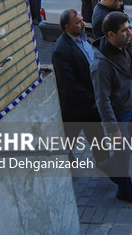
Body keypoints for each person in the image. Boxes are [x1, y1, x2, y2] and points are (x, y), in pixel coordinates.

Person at [91, 12, 132, 203]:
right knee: (123, 153)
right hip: (118, 115)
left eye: (129, 27)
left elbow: (128, 74)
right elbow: (102, 101)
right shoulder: (101, 66)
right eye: (124, 30)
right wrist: (113, 129)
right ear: (110, 34)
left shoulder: (125, 45)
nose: (130, 33)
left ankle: (110, 164)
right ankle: (125, 189)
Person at [52, 9, 109, 165]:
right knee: (72, 136)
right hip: (77, 106)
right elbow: (69, 84)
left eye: (82, 20)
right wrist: (92, 99)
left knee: (96, 135)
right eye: (78, 22)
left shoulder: (84, 38)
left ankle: (104, 162)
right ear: (66, 26)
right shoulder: (61, 50)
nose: (83, 24)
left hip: (91, 100)